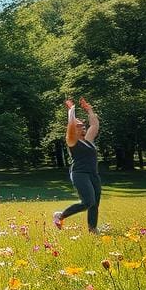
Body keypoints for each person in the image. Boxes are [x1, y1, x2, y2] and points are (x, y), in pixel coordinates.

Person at [54, 98, 102, 233]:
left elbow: (95, 126)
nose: (83, 126)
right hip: (80, 174)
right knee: (88, 202)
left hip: (93, 174)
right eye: (80, 125)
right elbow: (70, 125)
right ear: (73, 129)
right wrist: (71, 111)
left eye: (83, 125)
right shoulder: (71, 141)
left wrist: (89, 110)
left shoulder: (88, 141)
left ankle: (92, 229)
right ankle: (60, 215)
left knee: (94, 204)